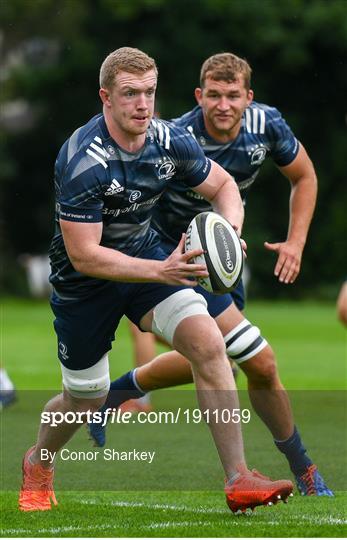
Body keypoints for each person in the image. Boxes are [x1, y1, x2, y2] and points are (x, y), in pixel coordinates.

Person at [18, 47, 293, 513]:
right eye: (130, 94)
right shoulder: (84, 159)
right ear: (106, 97)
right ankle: (39, 462)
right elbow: (85, 255)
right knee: (86, 397)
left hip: (149, 259)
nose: (142, 104)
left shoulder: (168, 140)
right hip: (86, 283)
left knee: (209, 343)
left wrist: (226, 232)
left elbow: (225, 187)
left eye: (149, 92)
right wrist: (162, 269)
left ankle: (239, 477)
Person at [89, 52, 332, 497]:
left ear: (248, 98)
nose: (223, 105)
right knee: (259, 360)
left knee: (215, 355)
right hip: (173, 254)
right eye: (214, 96)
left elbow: (305, 176)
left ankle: (116, 391)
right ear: (199, 96)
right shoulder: (178, 136)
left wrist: (295, 242)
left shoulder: (267, 125)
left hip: (223, 253)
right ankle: (304, 468)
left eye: (233, 95)